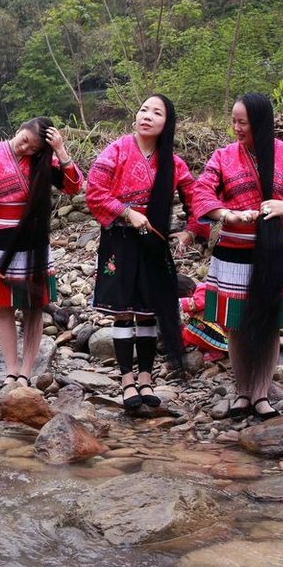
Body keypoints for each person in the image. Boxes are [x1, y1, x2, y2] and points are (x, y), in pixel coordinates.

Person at [192, 92, 283, 420]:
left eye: (243, 122)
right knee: (237, 324)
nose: (236, 128)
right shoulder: (223, 156)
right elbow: (201, 192)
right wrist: (226, 214)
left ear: (261, 122)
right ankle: (243, 391)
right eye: (233, 121)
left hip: (276, 249)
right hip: (234, 251)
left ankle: (261, 394)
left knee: (269, 321)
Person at [87, 94, 209, 410]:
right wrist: (128, 213)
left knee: (147, 310)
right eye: (144, 109)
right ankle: (127, 380)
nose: (147, 116)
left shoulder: (174, 162)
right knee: (124, 309)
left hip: (154, 243)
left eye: (157, 113)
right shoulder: (115, 151)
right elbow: (94, 192)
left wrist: (190, 231)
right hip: (120, 240)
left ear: (166, 125)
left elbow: (198, 201)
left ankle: (146, 377)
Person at [0, 117, 83, 387]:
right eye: (24, 141)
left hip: (34, 243)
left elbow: (74, 187)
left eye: (32, 148)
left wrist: (61, 151)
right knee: (3, 308)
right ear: (19, 130)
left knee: (33, 308)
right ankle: (10, 369)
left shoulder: (42, 161)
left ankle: (26, 372)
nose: (25, 149)